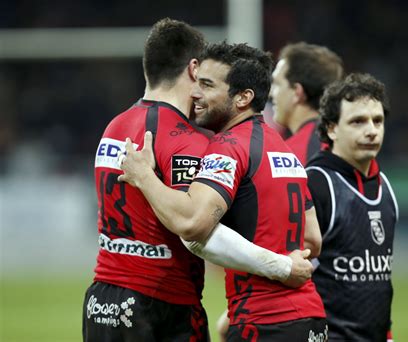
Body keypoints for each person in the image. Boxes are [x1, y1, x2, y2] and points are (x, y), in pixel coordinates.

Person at [83, 18, 312, 342]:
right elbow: (194, 229)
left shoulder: (114, 128)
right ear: (193, 69)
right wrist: (280, 265)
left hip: (100, 302)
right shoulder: (185, 140)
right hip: (160, 304)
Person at [305, 73, 398, 342]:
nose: (371, 130)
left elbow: (381, 283)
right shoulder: (316, 183)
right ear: (332, 128)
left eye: (377, 121)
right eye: (358, 121)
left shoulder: (386, 187)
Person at [270, 42, 344, 166]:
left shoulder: (288, 159)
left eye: (277, 84)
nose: (271, 93)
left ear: (297, 92)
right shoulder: (347, 145)